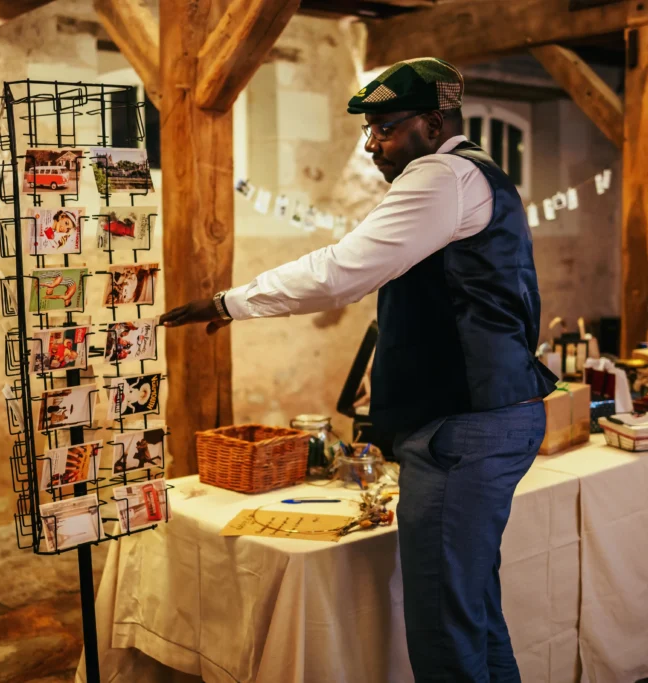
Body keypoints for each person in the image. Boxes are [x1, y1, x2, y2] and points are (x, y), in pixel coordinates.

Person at [161, 58, 556, 682]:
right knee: (473, 610)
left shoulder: (440, 175)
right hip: (490, 414)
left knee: (444, 628)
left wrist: (229, 302)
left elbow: (342, 271)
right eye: (367, 130)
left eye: (386, 128)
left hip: (466, 426)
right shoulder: (478, 174)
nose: (372, 144)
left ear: (433, 121)